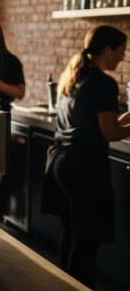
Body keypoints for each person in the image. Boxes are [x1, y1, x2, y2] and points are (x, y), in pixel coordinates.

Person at [42, 25, 130, 287]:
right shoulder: (103, 83)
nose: (123, 57)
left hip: (62, 162)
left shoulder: (75, 74)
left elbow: (101, 122)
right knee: (86, 241)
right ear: (107, 50)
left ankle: (62, 284)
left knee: (72, 233)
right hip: (84, 168)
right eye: (121, 51)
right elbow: (110, 132)